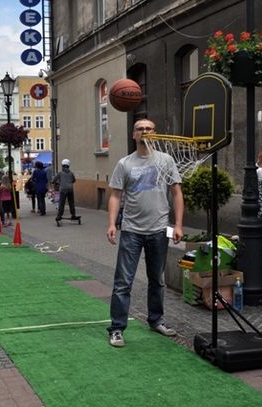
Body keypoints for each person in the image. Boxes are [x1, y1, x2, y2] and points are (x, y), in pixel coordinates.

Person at [106, 119, 184, 348]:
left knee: (157, 280)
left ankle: (156, 320)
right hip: (131, 230)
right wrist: (111, 223)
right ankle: (117, 328)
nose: (145, 132)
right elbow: (115, 195)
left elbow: (176, 192)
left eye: (149, 128)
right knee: (123, 282)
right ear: (134, 135)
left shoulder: (166, 161)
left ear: (155, 133)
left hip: (158, 230)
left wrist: (179, 225)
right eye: (140, 129)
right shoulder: (125, 164)